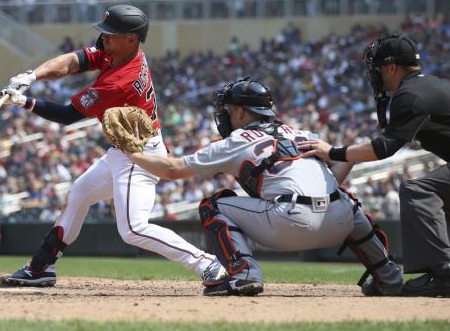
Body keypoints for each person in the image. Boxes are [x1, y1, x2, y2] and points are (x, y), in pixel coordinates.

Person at [298, 35, 450, 298]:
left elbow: (385, 148)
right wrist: (348, 155)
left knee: (419, 190)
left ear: (392, 68)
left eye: (376, 67)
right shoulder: (428, 86)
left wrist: (334, 152)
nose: (373, 75)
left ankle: (443, 274)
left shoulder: (409, 94)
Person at [0, 5, 225, 290]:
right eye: (104, 33)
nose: (103, 38)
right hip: (123, 150)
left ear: (132, 39)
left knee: (132, 229)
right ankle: (41, 267)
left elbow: (67, 116)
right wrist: (32, 76)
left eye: (111, 34)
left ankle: (208, 264)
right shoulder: (119, 51)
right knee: (79, 193)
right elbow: (74, 61)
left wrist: (24, 102)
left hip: (139, 156)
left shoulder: (120, 81)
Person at [125, 78, 402, 296]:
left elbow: (173, 170)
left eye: (228, 109)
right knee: (343, 199)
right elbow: (337, 174)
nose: (224, 114)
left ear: (240, 111)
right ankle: (388, 276)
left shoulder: (238, 140)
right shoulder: (302, 132)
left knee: (214, 205)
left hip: (288, 224)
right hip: (338, 223)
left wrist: (132, 154)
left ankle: (244, 274)